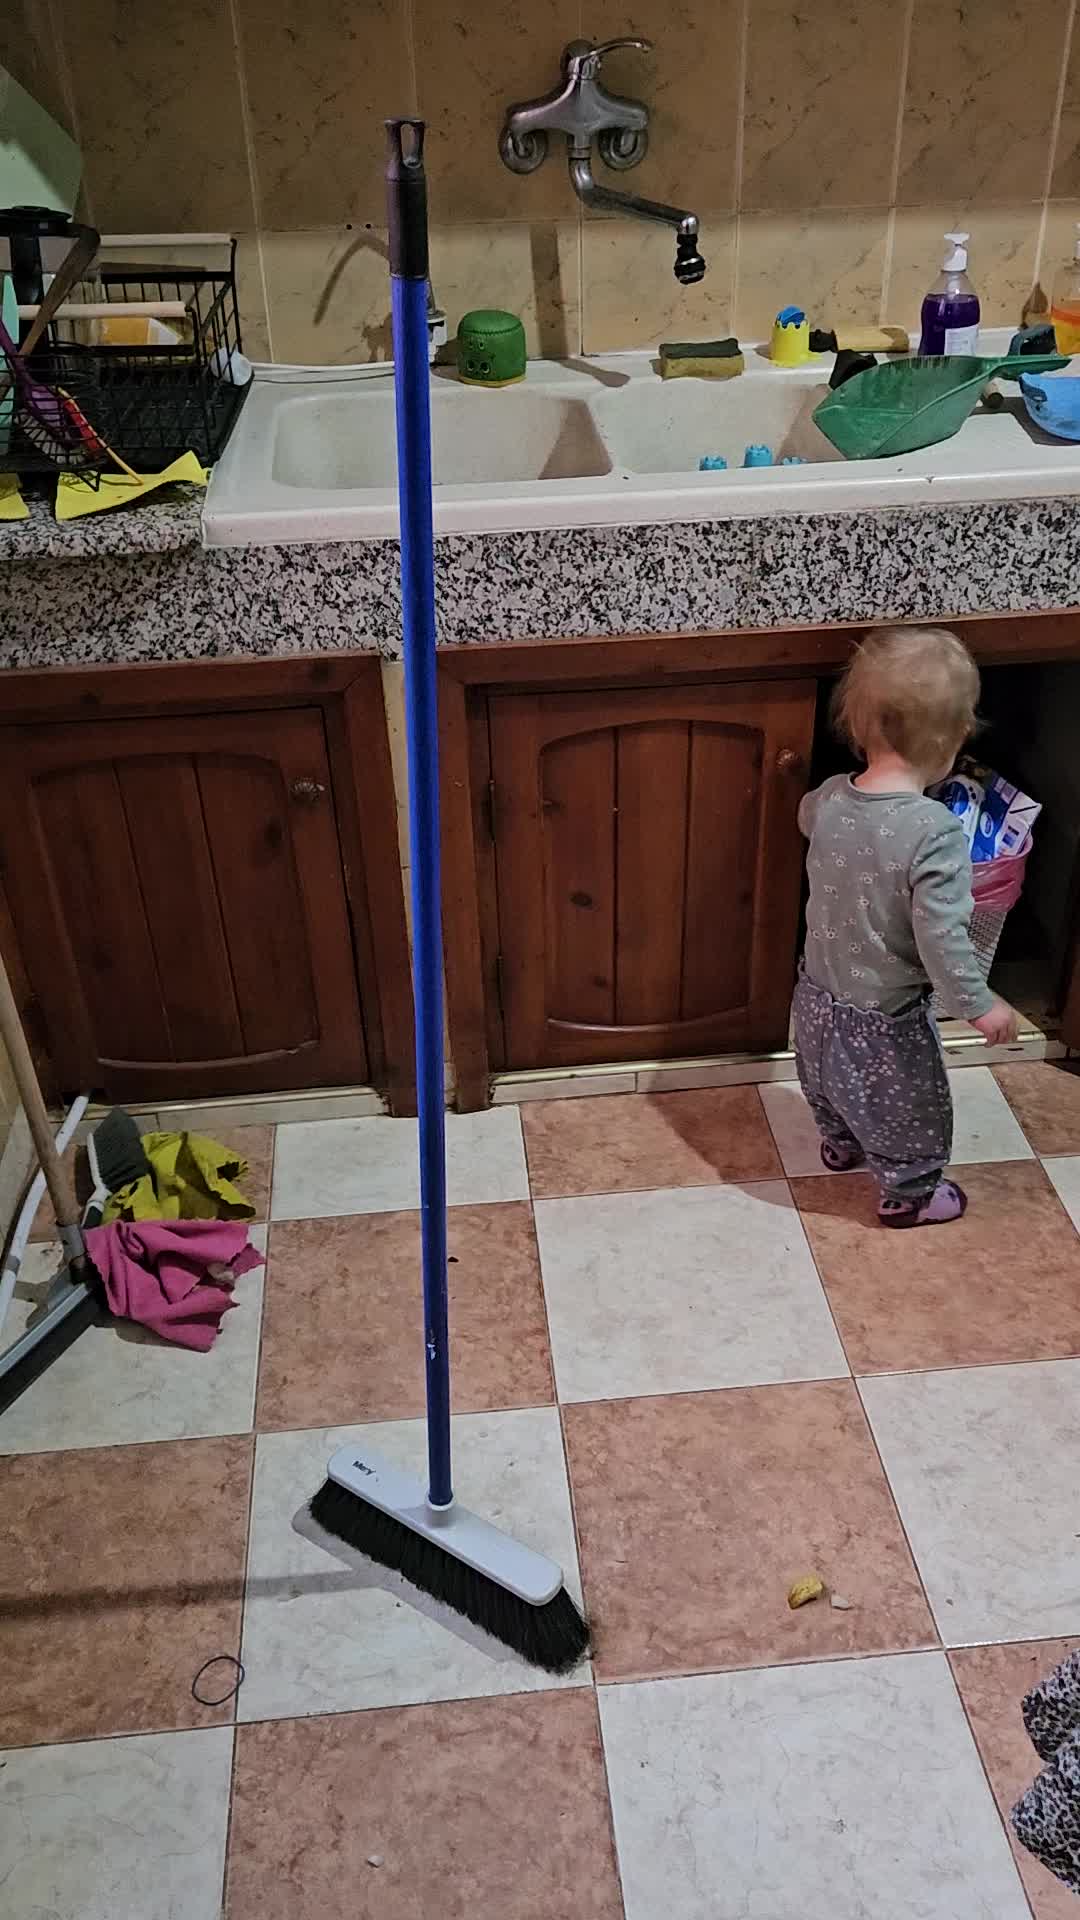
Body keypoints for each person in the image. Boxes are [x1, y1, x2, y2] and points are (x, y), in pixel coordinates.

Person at [793, 625, 1018, 1228]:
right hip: (885, 1017)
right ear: (954, 737)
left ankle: (839, 1142)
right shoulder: (935, 832)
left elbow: (806, 817)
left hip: (815, 996)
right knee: (911, 1109)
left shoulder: (828, 799)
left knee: (826, 1079)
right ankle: (909, 1194)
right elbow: (942, 936)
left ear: (856, 723)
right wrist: (977, 1004)